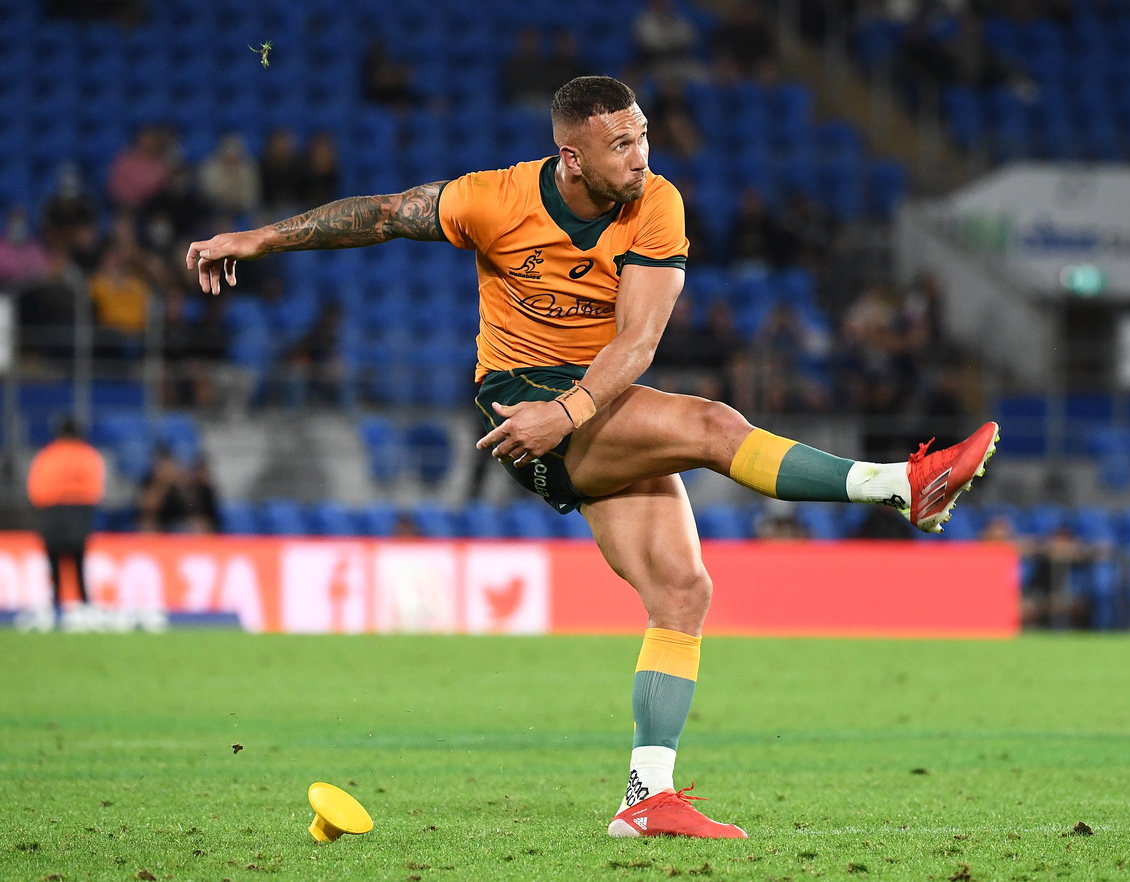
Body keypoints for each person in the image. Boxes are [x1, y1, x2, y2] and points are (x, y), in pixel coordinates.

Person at [186, 76, 999, 840]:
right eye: (621, 144)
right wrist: (255, 239)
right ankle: (902, 485)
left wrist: (571, 411)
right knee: (712, 425)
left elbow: (638, 341)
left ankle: (646, 798)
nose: (641, 156)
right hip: (519, 402)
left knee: (681, 592)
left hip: (588, 401)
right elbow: (384, 214)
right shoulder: (493, 198)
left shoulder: (657, 203)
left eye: (642, 137)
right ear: (572, 156)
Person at [26, 418, 105, 621]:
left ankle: (55, 606)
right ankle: (85, 605)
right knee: (79, 561)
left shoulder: (47, 455)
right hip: (79, 512)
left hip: (53, 512)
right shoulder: (88, 455)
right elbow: (96, 489)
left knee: (54, 562)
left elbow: (37, 491)